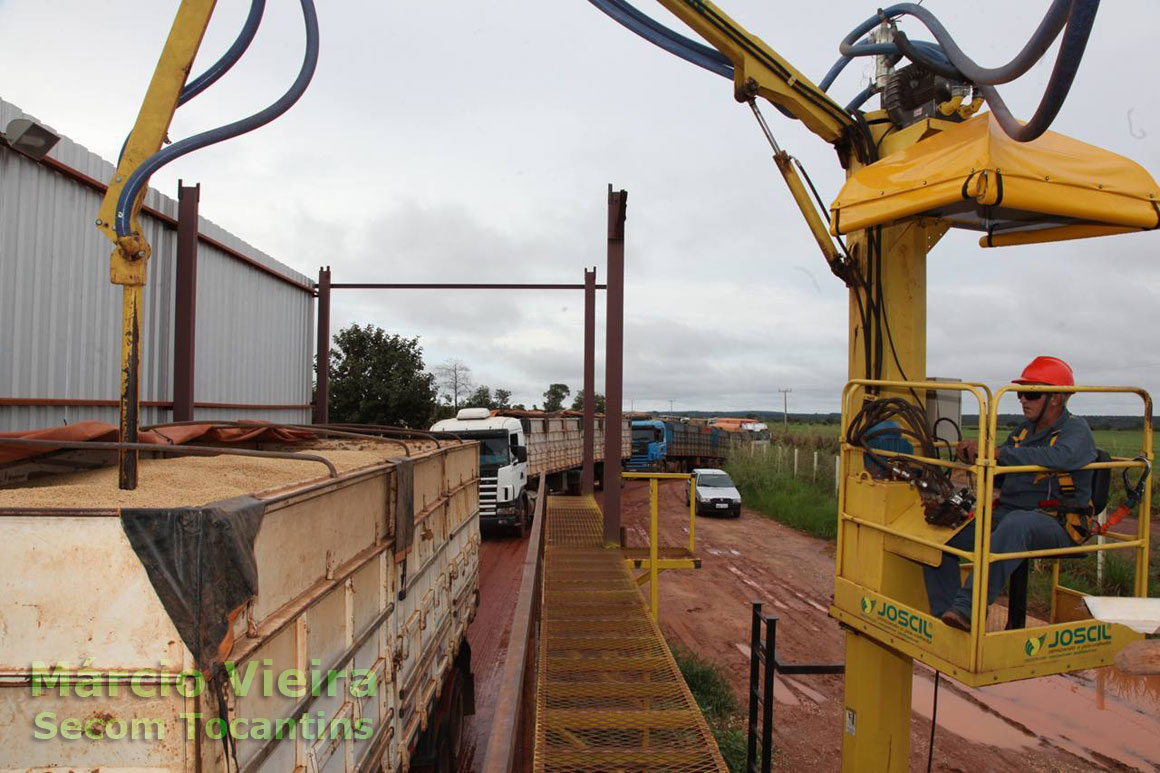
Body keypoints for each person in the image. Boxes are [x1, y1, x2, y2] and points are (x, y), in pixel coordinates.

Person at [924, 356, 1097, 631]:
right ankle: (948, 616)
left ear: (1055, 399)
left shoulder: (1076, 429)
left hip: (1056, 521)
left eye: (1031, 393)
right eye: (1020, 393)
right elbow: (1003, 462)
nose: (1022, 400)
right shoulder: (1022, 432)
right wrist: (976, 455)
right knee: (939, 536)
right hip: (1008, 516)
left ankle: (968, 609)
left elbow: (1061, 456)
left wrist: (998, 454)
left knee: (1018, 523)